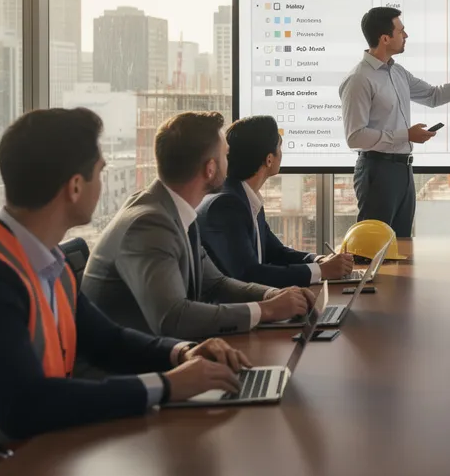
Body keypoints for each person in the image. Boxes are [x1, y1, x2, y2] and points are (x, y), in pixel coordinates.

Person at [0, 109, 251, 476]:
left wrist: (181, 354)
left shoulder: (45, 262)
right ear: (74, 187)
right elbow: (26, 405)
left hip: (25, 460)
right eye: (100, 172)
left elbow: (106, 341)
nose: (104, 184)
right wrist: (168, 386)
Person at [83, 111, 315, 339]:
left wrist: (274, 295)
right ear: (210, 168)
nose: (230, 161)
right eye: (226, 154)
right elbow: (174, 318)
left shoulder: (176, 212)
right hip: (131, 369)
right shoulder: (149, 223)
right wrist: (267, 310)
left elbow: (215, 284)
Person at [339, 6, 450, 239]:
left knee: (402, 244)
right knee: (374, 246)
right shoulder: (359, 79)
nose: (406, 36)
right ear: (385, 38)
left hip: (402, 170)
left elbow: (434, 96)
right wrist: (405, 135)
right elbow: (354, 137)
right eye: (401, 31)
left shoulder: (397, 72)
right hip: (376, 171)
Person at [198, 115, 355, 286]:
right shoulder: (227, 205)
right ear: (269, 159)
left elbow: (277, 252)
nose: (282, 153)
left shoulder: (246, 198)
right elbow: (250, 274)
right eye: (280, 147)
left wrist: (320, 260)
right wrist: (322, 271)